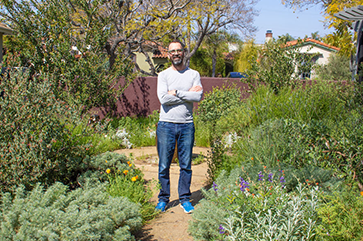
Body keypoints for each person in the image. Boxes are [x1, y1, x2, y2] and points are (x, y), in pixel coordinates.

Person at [155, 40, 203, 214]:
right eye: (172, 51)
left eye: (179, 50)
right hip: (166, 124)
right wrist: (187, 94)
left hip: (186, 125)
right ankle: (163, 198)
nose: (176, 53)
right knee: (163, 165)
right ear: (168, 55)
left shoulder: (194, 74)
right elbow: (163, 99)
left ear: (184, 52)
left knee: (186, 165)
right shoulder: (163, 75)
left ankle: (184, 198)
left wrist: (176, 92)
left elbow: (198, 97)